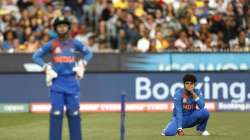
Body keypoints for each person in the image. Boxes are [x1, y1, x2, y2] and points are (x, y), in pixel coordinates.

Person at [32, 16, 93, 140]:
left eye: (64, 25)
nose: (62, 28)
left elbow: (89, 53)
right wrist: (45, 67)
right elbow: (36, 56)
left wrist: (83, 63)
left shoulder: (74, 43)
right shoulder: (52, 44)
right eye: (59, 26)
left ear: (68, 27)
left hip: (72, 82)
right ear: (55, 28)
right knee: (56, 113)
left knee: (74, 113)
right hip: (57, 82)